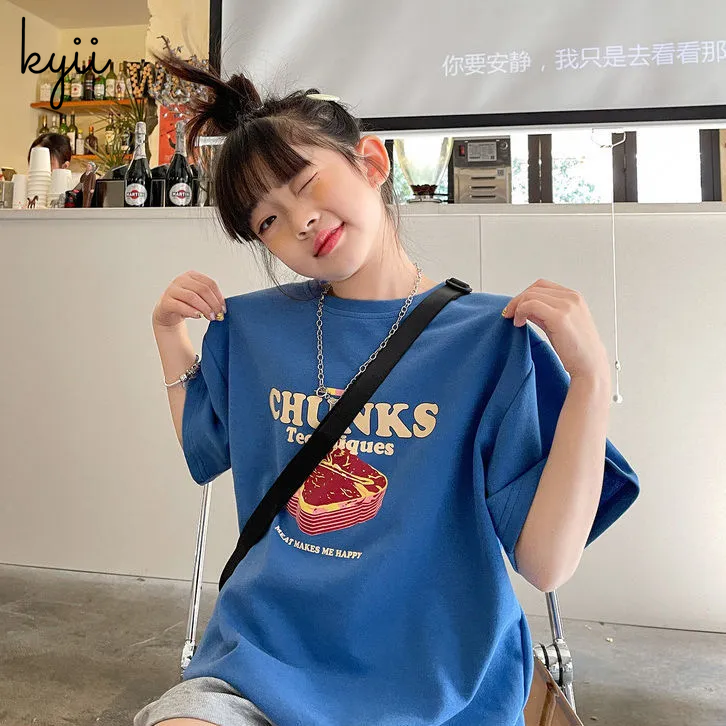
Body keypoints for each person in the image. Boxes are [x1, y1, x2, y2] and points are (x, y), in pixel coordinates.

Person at [139, 51, 640, 726]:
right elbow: (206, 452)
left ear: (371, 162)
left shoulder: (490, 340)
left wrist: (591, 380)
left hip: (437, 683)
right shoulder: (254, 329)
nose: (299, 222)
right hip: (262, 661)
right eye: (267, 221)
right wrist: (169, 333)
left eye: (307, 184)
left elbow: (546, 563)